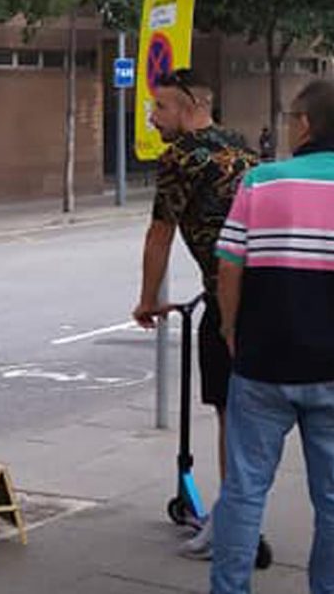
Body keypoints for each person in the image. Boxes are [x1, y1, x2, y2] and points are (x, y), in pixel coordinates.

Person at [211, 80, 334, 594]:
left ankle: (230, 588)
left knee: (243, 491)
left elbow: (230, 267)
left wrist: (230, 329)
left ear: (304, 124)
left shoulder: (261, 182)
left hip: (262, 363)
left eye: (289, 118)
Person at [131, 69, 258, 558]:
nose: (152, 117)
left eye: (159, 108)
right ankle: (243, 518)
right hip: (266, 293)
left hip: (226, 299)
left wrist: (147, 299)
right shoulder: (244, 146)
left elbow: (159, 233)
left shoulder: (178, 158)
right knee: (257, 414)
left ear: (187, 107)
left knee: (231, 414)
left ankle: (233, 526)